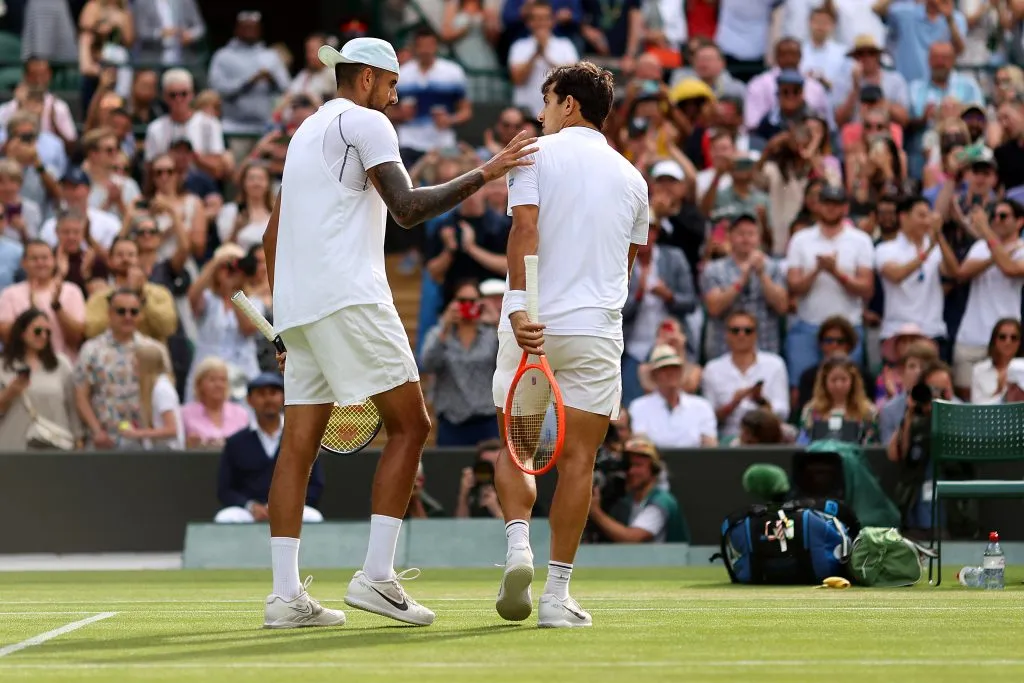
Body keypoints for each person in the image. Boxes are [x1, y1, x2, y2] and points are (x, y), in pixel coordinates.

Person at [261, 37, 535, 629]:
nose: (395, 95)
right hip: (350, 297)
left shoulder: (303, 134)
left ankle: (284, 596)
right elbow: (407, 209)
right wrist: (487, 171)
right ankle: (377, 577)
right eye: (391, 83)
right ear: (366, 78)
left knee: (298, 446)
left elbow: (270, 236)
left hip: (300, 309)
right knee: (412, 425)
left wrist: (284, 326)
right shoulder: (367, 123)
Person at [488, 62, 648, 629]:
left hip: (533, 321)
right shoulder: (634, 178)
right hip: (595, 330)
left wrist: (519, 308)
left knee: (517, 447)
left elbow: (524, 230)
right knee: (580, 461)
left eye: (547, 101)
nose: (540, 114)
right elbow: (626, 268)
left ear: (569, 105)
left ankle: (518, 548)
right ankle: (557, 596)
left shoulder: (531, 154)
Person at [215, 372, 325, 524]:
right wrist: (251, 506)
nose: (268, 399)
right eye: (261, 394)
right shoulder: (236, 442)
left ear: (284, 398)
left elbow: (315, 485)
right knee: (225, 518)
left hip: (292, 509)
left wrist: (287, 506)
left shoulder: (302, 438)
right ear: (249, 400)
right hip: (249, 513)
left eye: (273, 393)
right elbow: (225, 490)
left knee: (313, 517)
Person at [419, 280, 500, 446]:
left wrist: (498, 323)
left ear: (480, 303)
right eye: (462, 301)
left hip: (488, 420)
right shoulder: (439, 334)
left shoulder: (491, 335)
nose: (467, 305)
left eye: (472, 301)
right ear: (453, 303)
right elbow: (427, 364)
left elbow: (510, 360)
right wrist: (444, 327)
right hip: (452, 422)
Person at [0, 308, 80, 450]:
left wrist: (78, 438)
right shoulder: (3, 366)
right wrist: (10, 392)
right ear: (22, 333)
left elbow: (72, 405)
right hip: (14, 446)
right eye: (37, 331)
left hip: (56, 444)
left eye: (47, 332)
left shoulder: (61, 364)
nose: (43, 336)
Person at [586, 435, 688, 543]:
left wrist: (595, 512)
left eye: (638, 465)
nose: (631, 471)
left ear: (654, 469)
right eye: (629, 465)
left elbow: (632, 539)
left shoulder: (662, 502)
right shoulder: (627, 501)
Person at [0, 240, 86, 360]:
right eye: (34, 259)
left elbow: (77, 338)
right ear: (23, 263)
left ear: (54, 261)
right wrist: (31, 309)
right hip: (22, 364)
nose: (40, 263)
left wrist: (57, 307)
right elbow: (6, 337)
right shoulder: (9, 294)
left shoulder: (71, 290)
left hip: (62, 363)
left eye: (45, 258)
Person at [799, 355, 879, 445]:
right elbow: (803, 443)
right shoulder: (811, 410)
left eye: (844, 380)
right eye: (833, 380)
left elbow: (872, 444)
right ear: (824, 381)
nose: (839, 385)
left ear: (852, 381)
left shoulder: (868, 411)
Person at [118, 342, 183, 450]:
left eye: (136, 367)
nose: (134, 372)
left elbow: (172, 429)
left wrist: (137, 433)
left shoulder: (162, 389)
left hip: (167, 451)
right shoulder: (155, 388)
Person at [181, 356, 250, 450]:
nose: (219, 385)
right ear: (199, 384)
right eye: (212, 380)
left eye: (223, 380)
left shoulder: (241, 413)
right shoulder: (185, 413)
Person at [971, 319, 1024, 405]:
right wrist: (1000, 391)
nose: (1008, 342)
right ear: (994, 340)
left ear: (1020, 342)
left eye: (1014, 337)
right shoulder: (979, 370)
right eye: (1002, 337)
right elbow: (977, 407)